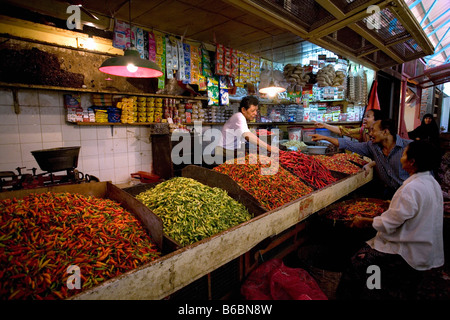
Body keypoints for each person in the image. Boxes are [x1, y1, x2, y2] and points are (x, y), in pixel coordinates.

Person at [337, 140, 444, 300]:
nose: (401, 158)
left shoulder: (411, 188)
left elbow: (389, 223)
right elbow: (414, 211)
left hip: (407, 250)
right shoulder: (431, 183)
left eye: (404, 154)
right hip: (425, 247)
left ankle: (372, 292)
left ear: (412, 162)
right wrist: (392, 204)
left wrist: (364, 220)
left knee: (359, 261)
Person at [311, 119, 412, 199]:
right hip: (389, 193)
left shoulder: (409, 147)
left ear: (385, 132)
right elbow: (349, 144)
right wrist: (325, 138)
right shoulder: (372, 146)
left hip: (409, 193)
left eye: (373, 130)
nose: (369, 133)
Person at [216, 96, 279, 162]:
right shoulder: (239, 116)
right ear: (243, 110)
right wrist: (269, 148)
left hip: (230, 150)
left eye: (256, 110)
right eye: (252, 111)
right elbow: (247, 136)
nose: (255, 113)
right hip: (224, 152)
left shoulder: (242, 118)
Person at [314, 109, 383, 142]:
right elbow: (345, 131)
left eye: (368, 117)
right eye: (364, 116)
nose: (364, 119)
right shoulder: (363, 131)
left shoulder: (381, 135)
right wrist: (324, 125)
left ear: (376, 120)